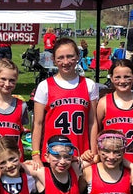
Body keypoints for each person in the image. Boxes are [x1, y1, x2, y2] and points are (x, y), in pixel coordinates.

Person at [31, 37, 99, 168]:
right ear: (54, 59)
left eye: (70, 56)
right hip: (54, 156)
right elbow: (38, 124)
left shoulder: (89, 85)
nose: (66, 61)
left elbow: (92, 122)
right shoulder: (45, 86)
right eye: (60, 57)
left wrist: (93, 152)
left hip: (81, 155)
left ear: (78, 56)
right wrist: (35, 154)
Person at [0, 58, 29, 172]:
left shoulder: (21, 106)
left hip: (15, 165)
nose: (7, 84)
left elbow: (22, 131)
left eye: (12, 80)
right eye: (3, 79)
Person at [96, 59, 133, 168]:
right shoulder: (104, 102)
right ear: (111, 78)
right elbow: (98, 131)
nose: (122, 81)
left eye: (127, 77)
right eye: (117, 77)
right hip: (110, 162)